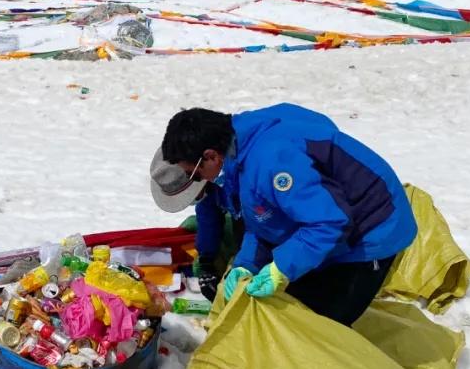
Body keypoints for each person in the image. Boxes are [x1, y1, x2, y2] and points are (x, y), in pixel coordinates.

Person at [149, 104, 417, 327]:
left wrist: (281, 267)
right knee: (288, 307)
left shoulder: (271, 161)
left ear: (209, 156)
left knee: (317, 325)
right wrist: (246, 263)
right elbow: (261, 218)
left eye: (195, 175)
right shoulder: (234, 157)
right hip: (329, 220)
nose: (200, 184)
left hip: (372, 230)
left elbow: (329, 223)